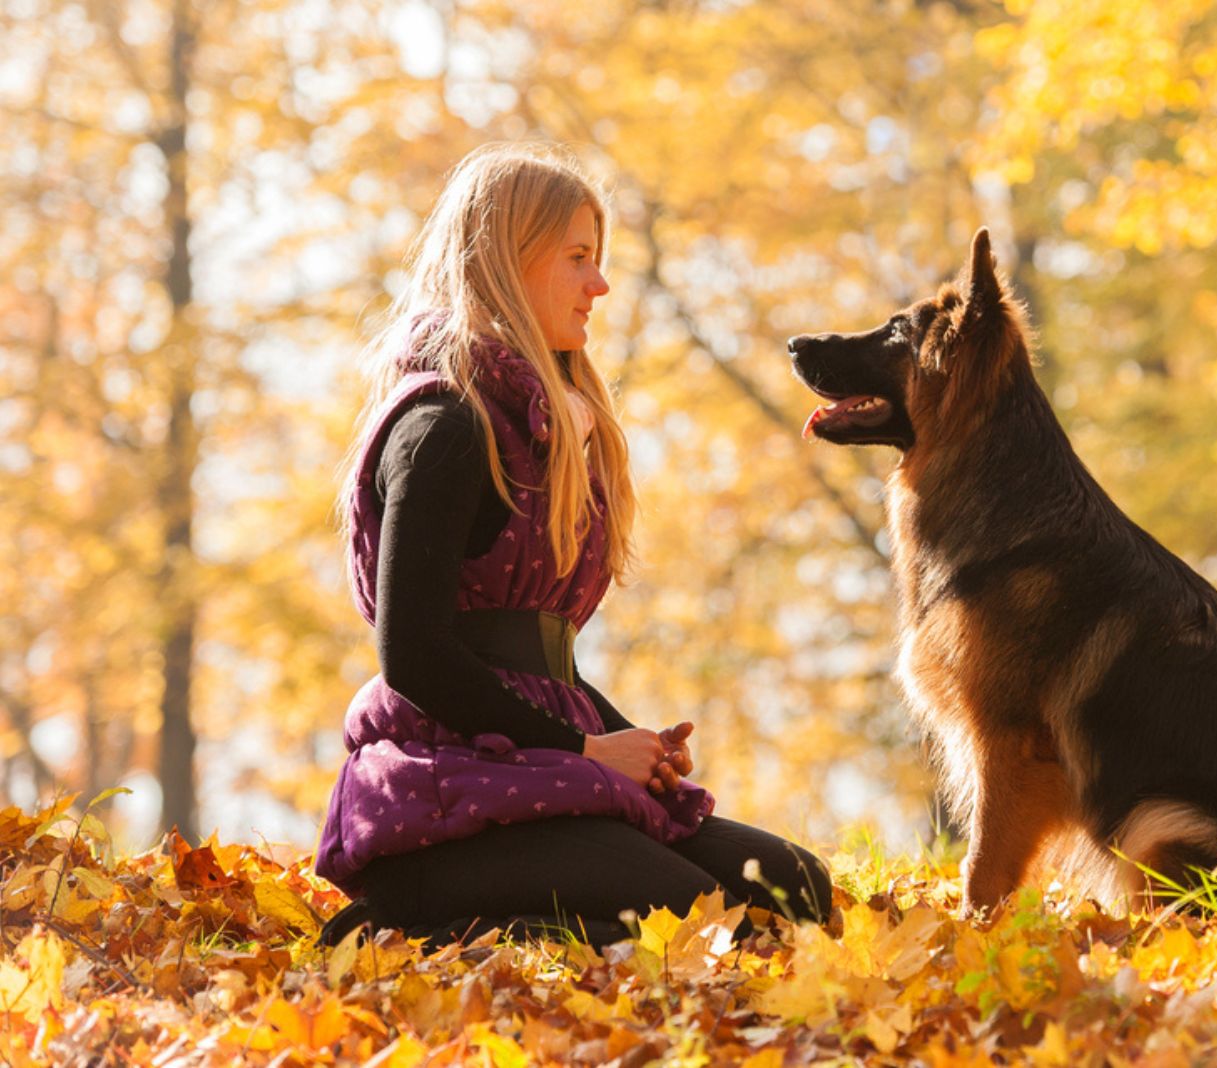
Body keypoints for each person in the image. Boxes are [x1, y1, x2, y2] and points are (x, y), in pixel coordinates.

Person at [314, 142, 830, 947]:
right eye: (578, 258)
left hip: (533, 768)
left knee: (794, 887)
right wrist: (589, 749)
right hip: (438, 803)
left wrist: (636, 747)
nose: (601, 284)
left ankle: (562, 919)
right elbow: (411, 655)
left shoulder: (543, 434)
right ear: (507, 262)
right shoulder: (443, 429)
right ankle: (407, 932)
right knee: (692, 916)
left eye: (601, 258)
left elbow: (538, 662)